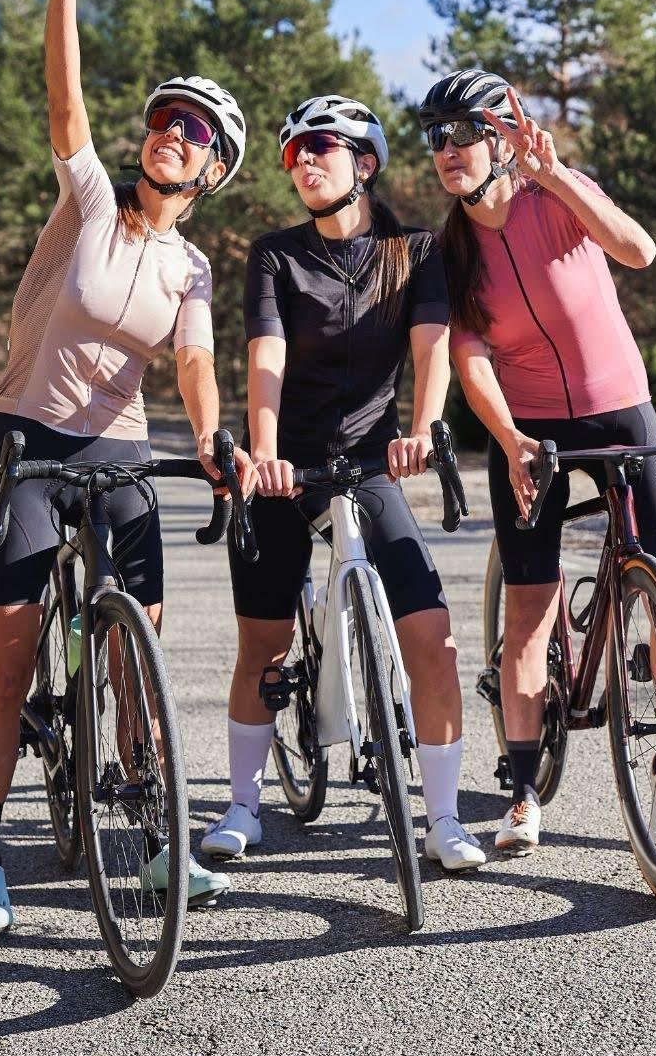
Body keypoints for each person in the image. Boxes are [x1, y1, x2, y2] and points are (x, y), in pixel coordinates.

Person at [0, 0, 249, 935]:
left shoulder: (194, 266)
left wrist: (215, 440)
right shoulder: (89, 201)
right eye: (166, 119)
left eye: (196, 131)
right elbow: (64, 105)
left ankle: (162, 836)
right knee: (6, 653)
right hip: (27, 443)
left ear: (213, 171)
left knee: (143, 652)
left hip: (119, 453)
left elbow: (194, 363)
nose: (172, 134)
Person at [419, 69, 656, 857]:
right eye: (434, 136)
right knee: (529, 613)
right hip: (529, 427)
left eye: (462, 133)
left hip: (621, 408)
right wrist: (509, 443)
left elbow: (637, 250)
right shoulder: (451, 251)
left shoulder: (556, 195)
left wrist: (556, 176)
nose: (446, 150)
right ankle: (519, 788)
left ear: (503, 136)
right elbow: (470, 360)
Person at [207, 94, 487, 874]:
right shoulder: (275, 254)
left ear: (365, 163)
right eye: (292, 151)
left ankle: (444, 817)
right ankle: (242, 804)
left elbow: (431, 349)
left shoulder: (415, 251)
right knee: (265, 642)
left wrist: (424, 431)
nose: (302, 160)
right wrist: (263, 452)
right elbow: (267, 357)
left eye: (319, 146)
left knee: (432, 638)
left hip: (371, 461)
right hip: (285, 466)